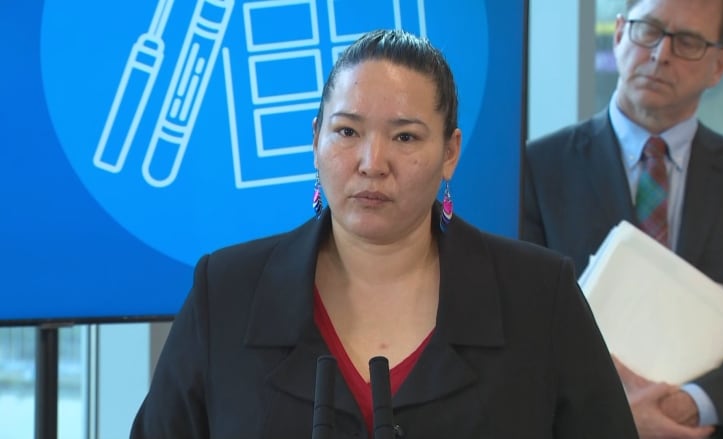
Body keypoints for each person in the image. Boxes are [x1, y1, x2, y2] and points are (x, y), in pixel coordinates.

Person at [130, 29, 638, 438]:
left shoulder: (538, 294)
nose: (373, 163)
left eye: (405, 137)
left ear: (450, 152)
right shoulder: (226, 290)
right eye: (347, 132)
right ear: (316, 140)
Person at [521, 0, 723, 438]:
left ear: (721, 64)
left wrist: (691, 405)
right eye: (649, 30)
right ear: (620, 33)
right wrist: (615, 408)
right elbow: (519, 319)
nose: (661, 54)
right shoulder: (534, 169)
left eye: (688, 42)